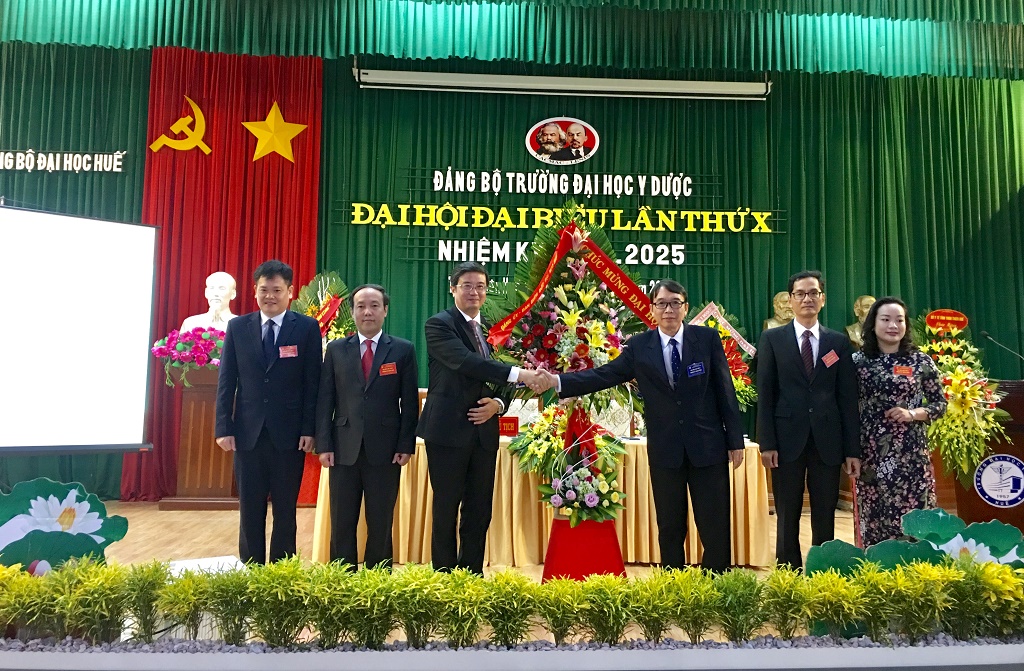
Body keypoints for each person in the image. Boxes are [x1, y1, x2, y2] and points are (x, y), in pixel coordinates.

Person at [535, 279, 745, 572]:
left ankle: (717, 581)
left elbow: (725, 391)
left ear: (685, 308)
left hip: (708, 447)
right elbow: (605, 375)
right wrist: (558, 381)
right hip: (665, 449)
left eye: (675, 303)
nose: (669, 310)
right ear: (652, 309)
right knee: (669, 525)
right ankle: (673, 582)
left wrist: (734, 440)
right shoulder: (639, 346)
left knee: (715, 523)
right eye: (662, 304)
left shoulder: (706, 339)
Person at [417, 261, 545, 574]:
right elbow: (467, 362)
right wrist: (521, 374)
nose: (474, 292)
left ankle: (472, 573)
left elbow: (504, 375)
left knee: (479, 508)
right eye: (467, 286)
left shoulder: (494, 328)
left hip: (484, 430)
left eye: (480, 286)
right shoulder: (439, 325)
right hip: (447, 430)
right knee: (446, 507)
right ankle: (444, 576)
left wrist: (499, 404)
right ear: (452, 288)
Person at [215, 260, 321, 564]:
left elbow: (312, 383)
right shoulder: (238, 327)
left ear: (290, 292)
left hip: (290, 436)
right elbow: (227, 381)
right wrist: (223, 427)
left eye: (277, 290)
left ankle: (281, 572)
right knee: (250, 510)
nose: (270, 296)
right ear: (254, 291)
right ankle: (251, 569)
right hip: (247, 435)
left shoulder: (306, 328)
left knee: (286, 511)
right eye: (264, 290)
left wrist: (309, 429)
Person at [756, 270, 860, 569]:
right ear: (791, 300)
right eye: (800, 294)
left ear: (822, 299)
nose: (807, 299)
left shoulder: (837, 342)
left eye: (813, 293)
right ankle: (788, 572)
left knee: (825, 510)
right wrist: (767, 443)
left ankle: (822, 569)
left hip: (828, 441)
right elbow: (766, 393)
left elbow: (847, 399)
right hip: (785, 440)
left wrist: (852, 450)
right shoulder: (772, 339)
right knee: (787, 511)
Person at [315, 284, 419, 569]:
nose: (368, 312)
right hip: (342, 448)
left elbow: (410, 403)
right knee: (342, 520)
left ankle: (378, 579)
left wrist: (405, 444)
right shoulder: (336, 349)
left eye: (374, 305)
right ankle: (341, 577)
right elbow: (325, 399)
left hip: (386, 450)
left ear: (385, 310)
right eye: (361, 306)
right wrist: (324, 444)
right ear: (352, 312)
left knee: (381, 520)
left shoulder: (402, 349)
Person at [852, 296, 946, 546]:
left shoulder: (921, 361)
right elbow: (846, 407)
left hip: (911, 455)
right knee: (875, 518)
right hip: (872, 453)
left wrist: (913, 414)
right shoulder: (858, 362)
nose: (893, 325)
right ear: (873, 324)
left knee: (915, 519)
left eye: (899, 320)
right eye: (886, 319)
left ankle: (919, 567)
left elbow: (940, 404)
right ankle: (875, 566)